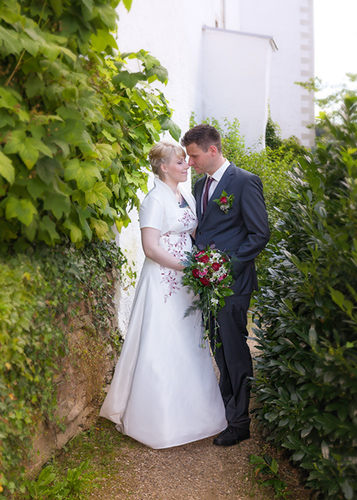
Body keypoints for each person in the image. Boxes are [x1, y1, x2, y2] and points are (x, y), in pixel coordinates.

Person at [100, 140, 226, 449]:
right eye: (180, 162)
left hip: (187, 281)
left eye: (186, 161)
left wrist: (205, 262)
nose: (187, 166)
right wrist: (188, 267)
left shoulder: (184, 196)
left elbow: (193, 233)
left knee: (189, 340)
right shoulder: (154, 200)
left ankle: (197, 414)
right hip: (164, 280)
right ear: (163, 167)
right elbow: (150, 247)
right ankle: (157, 420)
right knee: (163, 340)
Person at [181, 124, 270, 446]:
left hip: (233, 283)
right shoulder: (199, 186)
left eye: (194, 156)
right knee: (218, 348)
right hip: (207, 284)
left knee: (234, 351)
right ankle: (226, 409)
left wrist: (225, 267)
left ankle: (240, 423)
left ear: (212, 151)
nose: (190, 163)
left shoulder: (245, 182)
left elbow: (260, 234)